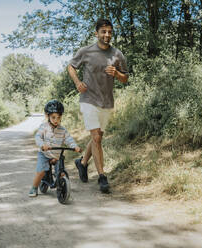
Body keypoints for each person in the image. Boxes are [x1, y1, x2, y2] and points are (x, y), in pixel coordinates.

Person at [67, 18, 129, 193]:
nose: (107, 35)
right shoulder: (86, 51)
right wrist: (78, 82)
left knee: (98, 137)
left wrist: (116, 73)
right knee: (96, 137)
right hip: (88, 99)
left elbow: (125, 79)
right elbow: (71, 66)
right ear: (96, 33)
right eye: (103, 32)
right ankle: (102, 177)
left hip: (107, 102)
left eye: (109, 32)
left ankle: (82, 162)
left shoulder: (117, 54)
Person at [29, 100, 81, 197]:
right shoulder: (44, 127)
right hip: (44, 154)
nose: (56, 120)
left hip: (57, 155)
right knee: (40, 171)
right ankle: (34, 187)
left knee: (61, 172)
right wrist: (42, 145)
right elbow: (38, 137)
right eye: (53, 117)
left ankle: (62, 186)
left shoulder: (62, 130)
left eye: (59, 117)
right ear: (47, 116)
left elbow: (69, 139)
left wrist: (75, 146)